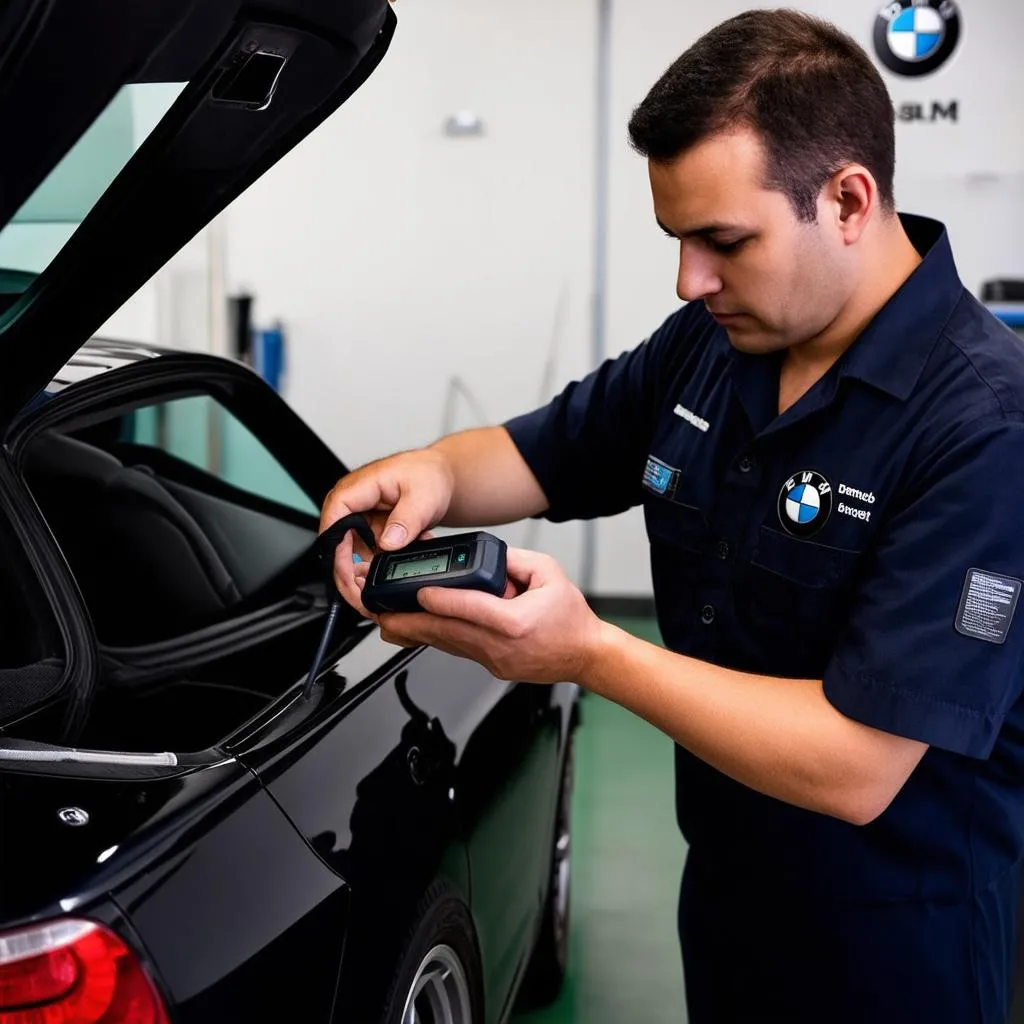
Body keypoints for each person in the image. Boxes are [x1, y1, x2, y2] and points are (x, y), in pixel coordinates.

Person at [321, 9, 1024, 1022]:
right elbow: (537, 451)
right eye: (677, 239)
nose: (689, 280)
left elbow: (858, 763)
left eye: (722, 241)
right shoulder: (708, 342)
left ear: (847, 199)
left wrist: (589, 654)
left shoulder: (983, 426)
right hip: (729, 898)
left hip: (896, 945)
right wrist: (429, 473)